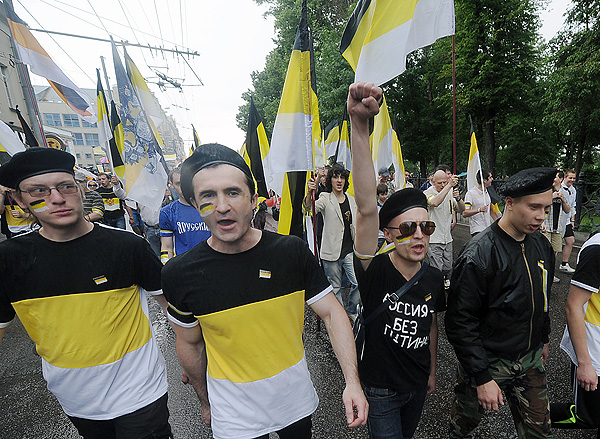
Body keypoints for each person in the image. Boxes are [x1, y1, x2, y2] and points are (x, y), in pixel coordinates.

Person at [161, 143, 367, 439]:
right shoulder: (179, 274)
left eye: (233, 192)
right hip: (233, 418)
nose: (222, 206)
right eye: (208, 196)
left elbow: (333, 314)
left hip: (295, 405)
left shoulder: (291, 252)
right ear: (195, 204)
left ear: (254, 199)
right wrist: (205, 402)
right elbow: (190, 345)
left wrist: (352, 381)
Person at [0, 148, 172, 439]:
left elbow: (172, 307)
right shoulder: (8, 260)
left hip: (141, 391)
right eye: (39, 191)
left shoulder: (127, 246)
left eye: (65, 186)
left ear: (79, 188)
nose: (57, 198)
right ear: (18, 199)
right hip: (75, 398)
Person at [349, 81, 445, 439]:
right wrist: (360, 126)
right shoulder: (373, 270)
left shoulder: (433, 277)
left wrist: (431, 370)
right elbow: (365, 208)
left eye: (425, 226)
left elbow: (431, 326)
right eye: (407, 228)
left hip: (417, 385)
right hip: (381, 391)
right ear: (387, 234)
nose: (418, 235)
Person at [446, 167, 556, 439]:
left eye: (546, 208)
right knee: (461, 428)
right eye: (534, 207)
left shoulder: (542, 246)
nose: (541, 216)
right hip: (488, 361)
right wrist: (482, 376)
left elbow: (542, 298)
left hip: (529, 360)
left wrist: (543, 338)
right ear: (509, 203)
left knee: (541, 432)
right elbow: (460, 321)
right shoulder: (479, 253)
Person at [551, 231, 600, 432]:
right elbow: (573, 307)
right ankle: (532, 415)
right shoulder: (596, 249)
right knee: (587, 418)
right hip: (594, 350)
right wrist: (585, 363)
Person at [305, 163, 360, 318]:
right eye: (335, 177)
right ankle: (340, 317)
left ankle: (351, 310)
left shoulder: (352, 200)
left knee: (358, 282)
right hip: (331, 252)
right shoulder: (325, 198)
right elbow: (308, 209)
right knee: (335, 288)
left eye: (342, 177)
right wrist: (309, 192)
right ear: (330, 180)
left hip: (349, 251)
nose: (339, 180)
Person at [159, 166, 211, 264]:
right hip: (185, 266)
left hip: (211, 264)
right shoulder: (168, 212)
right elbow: (166, 247)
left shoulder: (211, 206)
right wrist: (165, 267)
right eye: (179, 183)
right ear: (172, 185)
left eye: (187, 182)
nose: (183, 187)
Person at [423, 170, 465, 281]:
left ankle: (443, 283)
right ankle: (436, 287)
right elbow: (434, 202)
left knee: (448, 267)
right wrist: (449, 185)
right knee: (436, 270)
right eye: (439, 183)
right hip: (434, 239)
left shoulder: (449, 192)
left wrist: (458, 198)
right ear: (433, 182)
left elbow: (462, 208)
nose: (442, 185)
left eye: (444, 182)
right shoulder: (428, 193)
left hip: (447, 239)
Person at [542, 170, 570, 283]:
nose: (553, 179)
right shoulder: (547, 190)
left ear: (561, 179)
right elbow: (541, 205)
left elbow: (567, 210)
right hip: (546, 225)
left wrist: (563, 200)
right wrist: (551, 197)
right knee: (544, 250)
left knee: (554, 252)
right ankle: (542, 273)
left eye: (555, 177)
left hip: (557, 227)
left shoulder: (564, 192)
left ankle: (550, 274)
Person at [462, 169, 498, 236]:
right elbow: (465, 213)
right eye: (490, 177)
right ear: (484, 180)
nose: (492, 179)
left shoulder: (487, 192)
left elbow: (491, 210)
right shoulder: (470, 193)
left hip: (487, 229)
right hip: (477, 230)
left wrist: (498, 223)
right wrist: (479, 210)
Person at [559, 169, 577, 273]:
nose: (572, 180)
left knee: (570, 241)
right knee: (556, 244)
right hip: (559, 220)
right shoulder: (560, 188)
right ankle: (549, 266)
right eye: (570, 178)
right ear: (565, 177)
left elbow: (573, 205)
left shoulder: (573, 190)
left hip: (567, 220)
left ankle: (564, 264)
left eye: (574, 178)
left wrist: (572, 220)